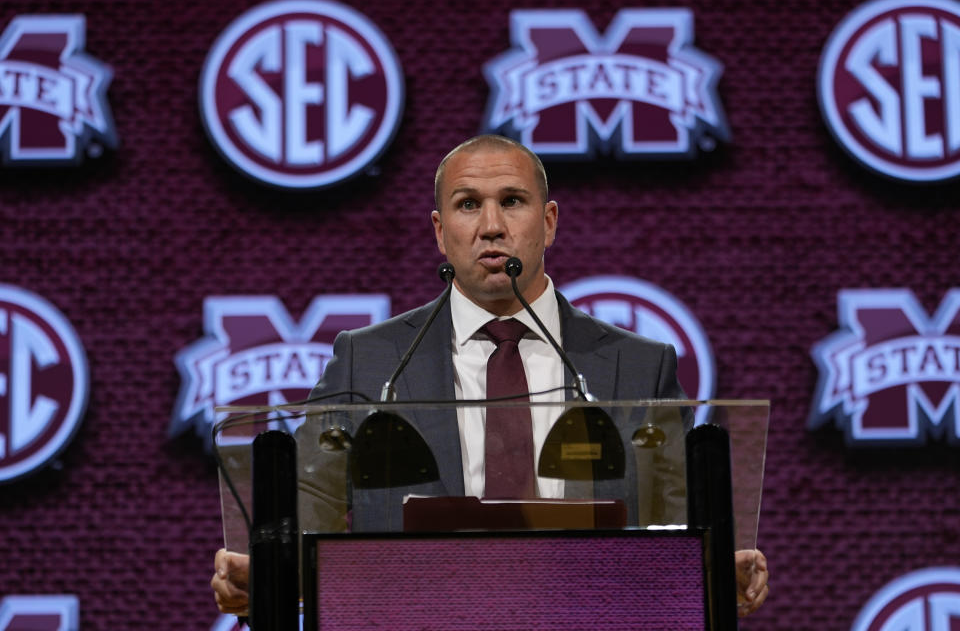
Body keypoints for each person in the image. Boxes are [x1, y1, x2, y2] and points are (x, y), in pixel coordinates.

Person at [212, 135, 769, 617]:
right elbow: (308, 523)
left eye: (513, 201)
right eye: (467, 204)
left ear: (548, 222)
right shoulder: (370, 362)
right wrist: (265, 573)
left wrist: (717, 569)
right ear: (440, 231)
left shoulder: (637, 367)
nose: (491, 226)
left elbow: (679, 533)